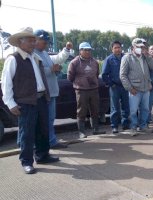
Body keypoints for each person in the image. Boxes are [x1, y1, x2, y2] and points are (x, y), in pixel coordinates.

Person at [1, 27, 59, 174]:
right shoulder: (13, 59)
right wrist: (10, 103)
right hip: (25, 101)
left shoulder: (35, 57)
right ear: (21, 42)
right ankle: (26, 161)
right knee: (27, 133)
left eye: (34, 40)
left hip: (40, 99)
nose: (34, 43)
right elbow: (6, 83)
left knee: (43, 129)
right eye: (31, 41)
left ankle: (42, 155)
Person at [33, 29, 72, 149]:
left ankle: (49, 141)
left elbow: (58, 59)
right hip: (43, 94)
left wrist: (66, 50)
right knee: (44, 120)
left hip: (51, 92)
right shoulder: (32, 54)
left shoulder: (44, 53)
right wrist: (51, 69)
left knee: (49, 119)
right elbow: (34, 72)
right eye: (43, 41)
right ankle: (49, 142)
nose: (46, 44)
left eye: (47, 42)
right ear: (36, 40)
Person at [67, 42, 106, 138]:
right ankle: (81, 132)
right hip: (81, 90)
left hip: (93, 89)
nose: (88, 52)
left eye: (89, 50)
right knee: (81, 111)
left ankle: (95, 129)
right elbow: (70, 77)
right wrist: (80, 83)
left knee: (95, 110)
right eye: (85, 50)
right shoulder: (74, 62)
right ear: (80, 51)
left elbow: (96, 74)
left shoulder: (94, 62)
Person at [120, 38, 153, 136]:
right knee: (133, 110)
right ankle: (133, 127)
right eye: (138, 47)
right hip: (134, 89)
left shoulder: (145, 57)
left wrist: (148, 55)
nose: (141, 48)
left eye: (142, 47)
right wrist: (130, 88)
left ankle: (143, 126)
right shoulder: (127, 58)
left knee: (145, 109)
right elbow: (122, 75)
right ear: (133, 47)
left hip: (146, 88)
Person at [101, 41, 129, 134]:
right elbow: (104, 75)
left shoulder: (125, 58)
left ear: (121, 48)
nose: (117, 49)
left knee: (126, 106)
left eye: (119, 47)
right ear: (112, 49)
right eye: (115, 48)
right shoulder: (109, 59)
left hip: (125, 86)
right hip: (114, 87)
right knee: (115, 107)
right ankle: (114, 126)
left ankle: (125, 125)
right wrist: (111, 84)